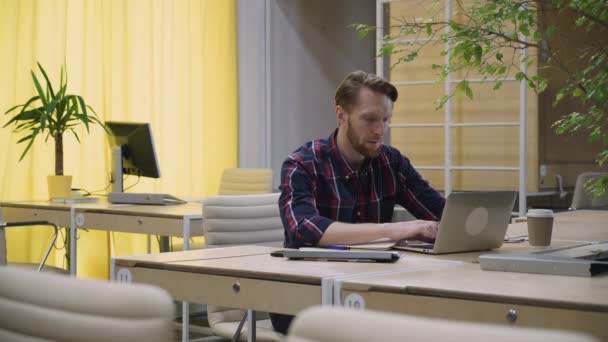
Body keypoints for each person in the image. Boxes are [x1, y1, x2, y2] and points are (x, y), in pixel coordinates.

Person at [269, 70, 446, 334]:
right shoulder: (302, 164)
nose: (379, 130)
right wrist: (399, 229)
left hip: (372, 290)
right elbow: (305, 229)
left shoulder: (390, 161)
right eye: (370, 119)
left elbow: (441, 212)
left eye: (386, 120)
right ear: (341, 115)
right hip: (306, 299)